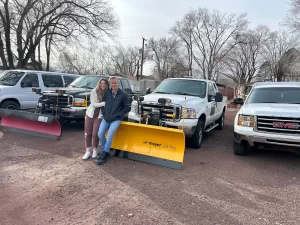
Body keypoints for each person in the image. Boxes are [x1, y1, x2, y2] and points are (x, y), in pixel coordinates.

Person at [97, 76, 130, 165]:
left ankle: (104, 154)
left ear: (117, 83)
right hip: (106, 118)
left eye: (115, 83)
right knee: (100, 134)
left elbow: (127, 107)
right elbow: (103, 105)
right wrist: (104, 114)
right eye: (112, 83)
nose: (114, 84)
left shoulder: (123, 95)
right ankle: (106, 150)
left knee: (110, 135)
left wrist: (119, 115)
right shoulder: (107, 93)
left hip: (116, 119)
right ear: (110, 84)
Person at [82, 78, 109, 160]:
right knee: (88, 133)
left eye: (104, 83)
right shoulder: (94, 91)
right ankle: (87, 151)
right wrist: (103, 103)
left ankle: (95, 150)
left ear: (107, 84)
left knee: (95, 133)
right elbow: (93, 104)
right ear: (99, 83)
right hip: (90, 114)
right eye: (101, 83)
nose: (103, 85)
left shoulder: (108, 93)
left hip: (99, 115)